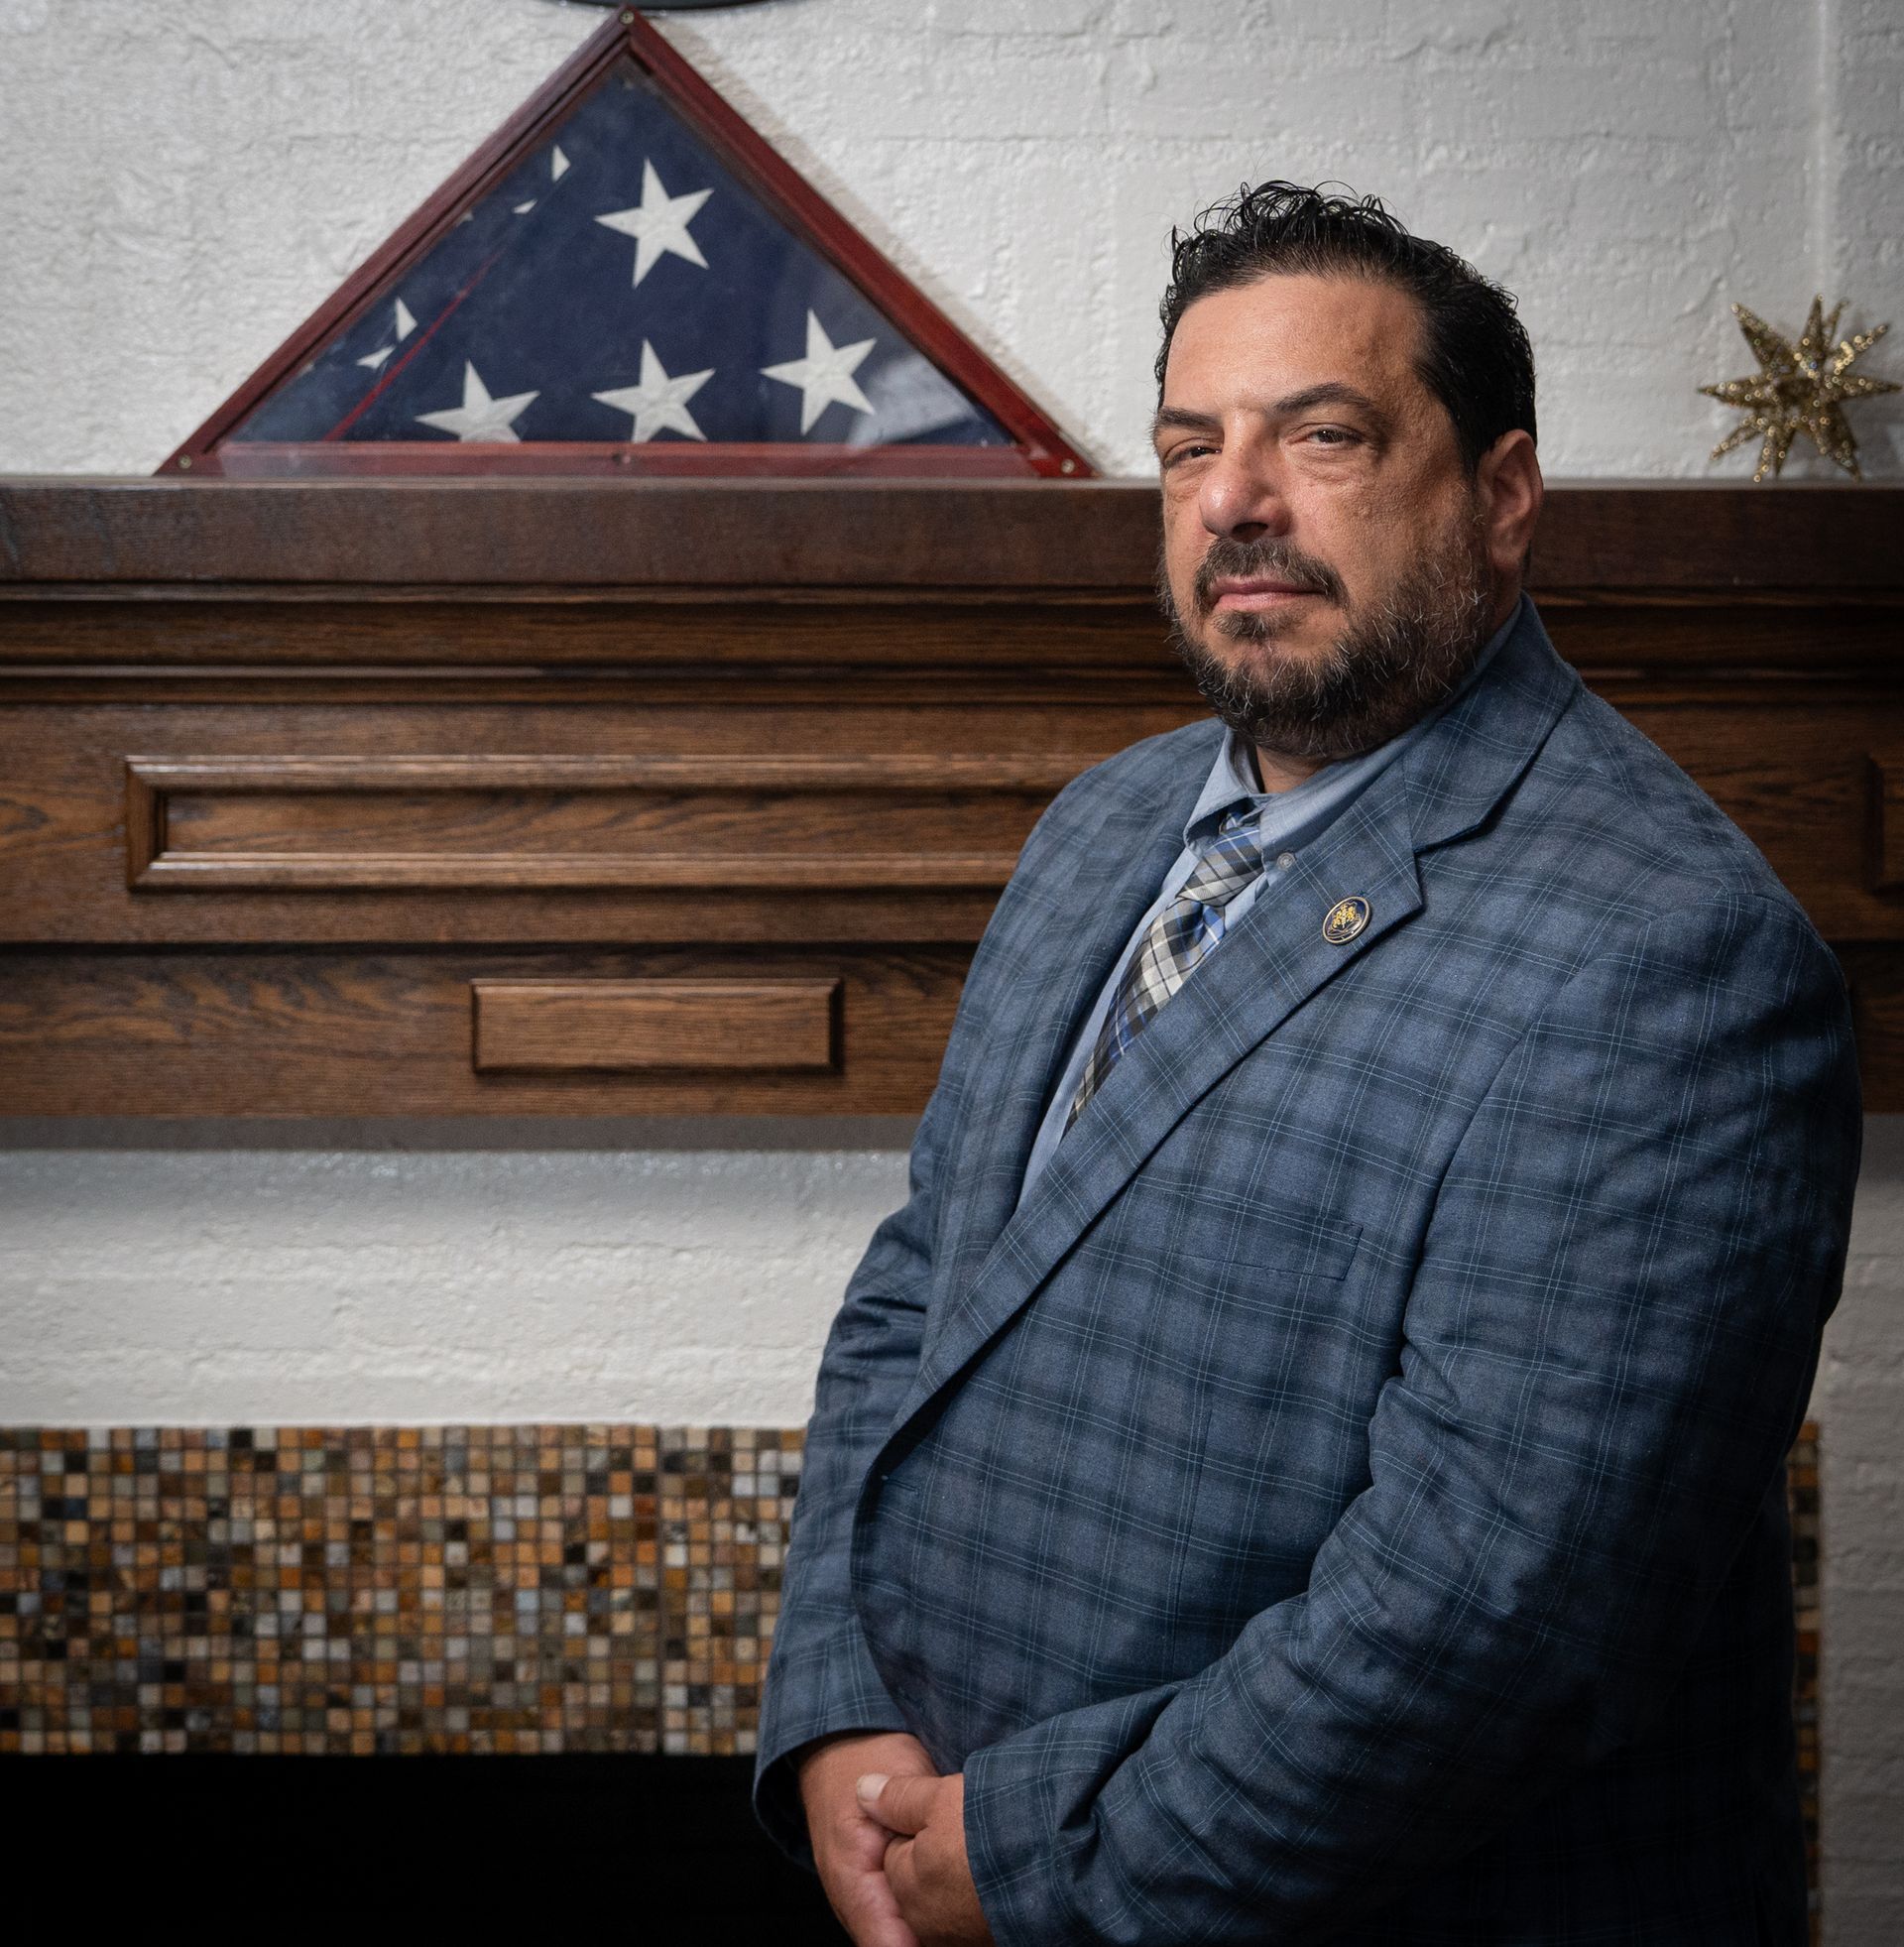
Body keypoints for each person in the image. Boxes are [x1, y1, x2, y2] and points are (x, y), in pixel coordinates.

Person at [754, 182, 1860, 1946]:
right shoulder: (1100, 826)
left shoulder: (1673, 960)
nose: (1235, 503)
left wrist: (1026, 1863)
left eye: (1321, 436)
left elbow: (1489, 1618)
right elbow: (919, 1292)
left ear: (1501, 500)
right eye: (1190, 446)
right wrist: (832, 1713)